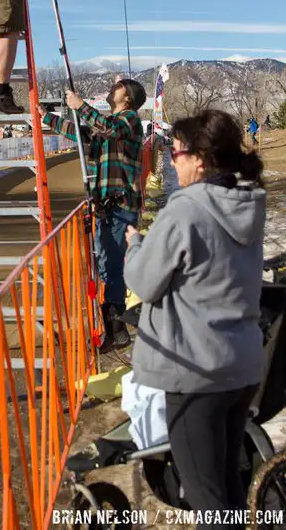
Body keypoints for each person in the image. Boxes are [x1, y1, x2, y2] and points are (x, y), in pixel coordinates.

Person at [124, 110, 265, 515]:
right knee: (227, 489)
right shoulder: (245, 204)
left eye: (175, 151)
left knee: (208, 503)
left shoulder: (184, 210)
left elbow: (144, 282)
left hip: (195, 374)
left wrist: (136, 245)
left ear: (199, 159)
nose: (171, 159)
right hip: (242, 366)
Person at [39, 77, 146, 349]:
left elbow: (108, 128)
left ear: (128, 98)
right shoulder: (109, 127)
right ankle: (111, 330)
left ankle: (116, 332)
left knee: (111, 266)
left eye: (118, 86)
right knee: (104, 264)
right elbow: (83, 133)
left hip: (120, 205)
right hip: (106, 206)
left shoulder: (130, 119)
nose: (113, 88)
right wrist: (46, 117)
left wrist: (81, 105)